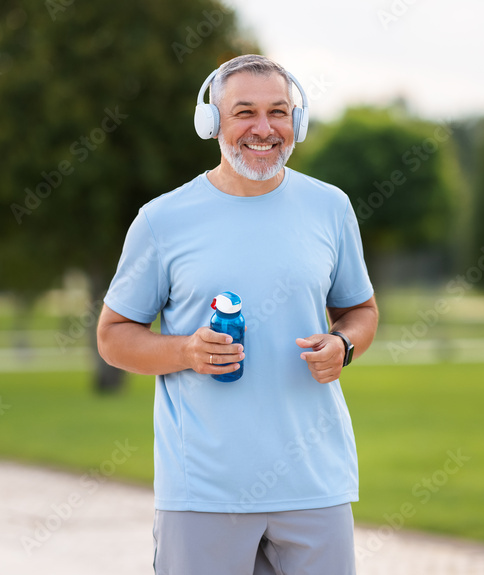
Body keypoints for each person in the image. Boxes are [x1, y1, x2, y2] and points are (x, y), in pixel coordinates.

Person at [96, 54, 378, 575]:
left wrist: (345, 345)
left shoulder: (331, 207)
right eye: (244, 112)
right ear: (212, 122)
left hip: (316, 483)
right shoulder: (162, 220)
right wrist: (184, 350)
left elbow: (359, 309)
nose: (264, 128)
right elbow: (113, 336)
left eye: (278, 111)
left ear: (298, 121)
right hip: (205, 489)